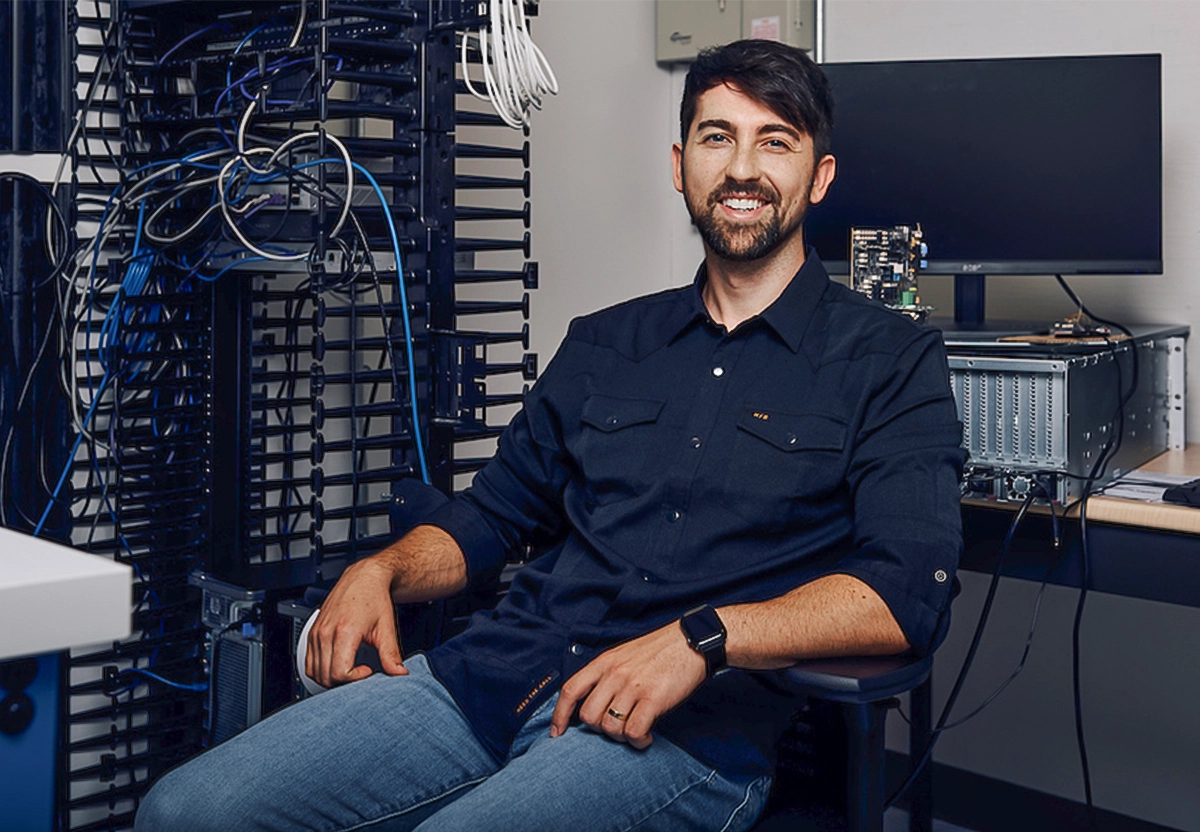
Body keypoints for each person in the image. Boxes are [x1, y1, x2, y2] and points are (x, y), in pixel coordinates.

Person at [135, 39, 966, 832]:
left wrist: (704, 639)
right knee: (184, 812)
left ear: (818, 177)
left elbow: (903, 593)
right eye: (718, 137)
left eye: (774, 142)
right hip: (492, 679)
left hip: (680, 732)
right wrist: (378, 570)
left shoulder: (891, 360)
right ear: (680, 167)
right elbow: (491, 520)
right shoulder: (607, 343)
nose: (743, 169)